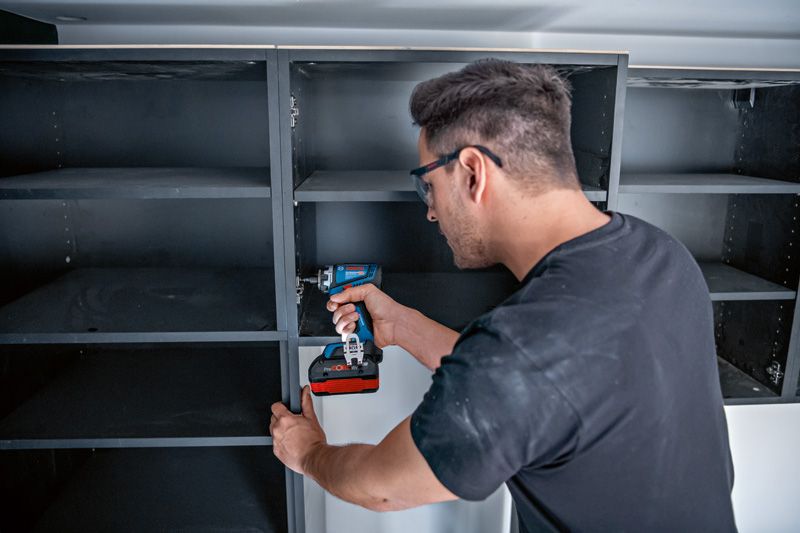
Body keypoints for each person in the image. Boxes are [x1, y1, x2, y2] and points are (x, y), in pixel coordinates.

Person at [269, 59, 737, 532]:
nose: (430, 212)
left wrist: (308, 452)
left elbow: (383, 486)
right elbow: (547, 385)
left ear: (473, 173)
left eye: (428, 186)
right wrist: (403, 326)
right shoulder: (660, 255)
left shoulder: (519, 351)